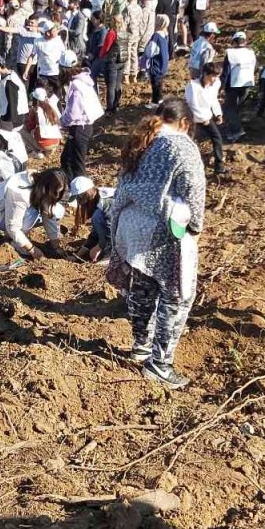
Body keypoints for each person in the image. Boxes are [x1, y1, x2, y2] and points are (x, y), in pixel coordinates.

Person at [107, 98, 206, 389]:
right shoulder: (182, 146)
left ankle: (140, 347)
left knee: (141, 288)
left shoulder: (142, 139)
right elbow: (194, 191)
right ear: (186, 123)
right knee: (177, 296)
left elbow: (123, 184)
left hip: (130, 225)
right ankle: (160, 364)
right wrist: (196, 228)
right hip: (162, 229)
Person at [0, 169, 67, 259]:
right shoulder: (20, 193)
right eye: (56, 192)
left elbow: (49, 212)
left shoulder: (40, 183)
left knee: (57, 210)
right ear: (46, 187)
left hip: (9, 210)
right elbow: (13, 227)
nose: (57, 195)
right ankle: (16, 243)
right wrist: (32, 249)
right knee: (33, 213)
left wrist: (56, 247)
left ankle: (18, 238)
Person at [59, 59, 104, 181]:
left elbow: (73, 113)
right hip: (84, 126)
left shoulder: (76, 86)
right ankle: (70, 185)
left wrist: (61, 122)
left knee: (77, 164)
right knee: (66, 159)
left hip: (80, 128)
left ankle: (80, 192)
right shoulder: (84, 80)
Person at [185, 63, 227, 176]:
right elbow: (192, 105)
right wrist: (203, 119)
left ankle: (219, 167)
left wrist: (218, 114)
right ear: (205, 74)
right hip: (192, 119)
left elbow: (213, 99)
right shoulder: (193, 86)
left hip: (206, 118)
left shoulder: (216, 84)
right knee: (189, 142)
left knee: (217, 138)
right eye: (212, 76)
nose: (214, 79)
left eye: (217, 76)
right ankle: (189, 168)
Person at [70, 176, 117, 262]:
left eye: (79, 197)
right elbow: (96, 232)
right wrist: (78, 255)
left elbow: (111, 229)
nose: (79, 201)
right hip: (117, 232)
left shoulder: (106, 201)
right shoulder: (95, 199)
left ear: (87, 192)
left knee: (97, 216)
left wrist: (98, 248)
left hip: (131, 231)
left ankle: (110, 254)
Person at [222, 31, 257, 143]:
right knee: (238, 106)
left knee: (230, 108)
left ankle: (236, 132)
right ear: (245, 41)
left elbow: (226, 72)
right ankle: (236, 127)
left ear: (234, 42)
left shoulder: (230, 53)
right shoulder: (251, 52)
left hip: (233, 84)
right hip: (247, 83)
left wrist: (221, 86)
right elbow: (255, 67)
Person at [143, 14, 171, 107]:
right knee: (159, 82)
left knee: (155, 83)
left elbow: (151, 50)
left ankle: (156, 102)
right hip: (164, 62)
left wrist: (146, 54)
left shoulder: (156, 35)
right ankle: (159, 99)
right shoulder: (166, 34)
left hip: (156, 63)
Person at [26, 87, 63, 156]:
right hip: (56, 141)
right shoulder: (51, 105)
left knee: (31, 131)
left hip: (44, 144)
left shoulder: (35, 110)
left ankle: (39, 151)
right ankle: (50, 148)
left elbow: (30, 126)